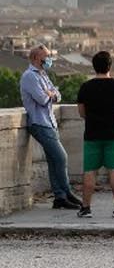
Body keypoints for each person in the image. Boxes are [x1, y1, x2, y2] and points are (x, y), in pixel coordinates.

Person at [19, 45, 81, 209]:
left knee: (53, 161)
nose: (48, 60)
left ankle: (59, 198)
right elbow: (41, 99)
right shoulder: (30, 77)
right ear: (34, 58)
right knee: (61, 157)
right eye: (45, 57)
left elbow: (57, 95)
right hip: (39, 123)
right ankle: (67, 191)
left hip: (49, 121)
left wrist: (51, 94)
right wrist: (50, 94)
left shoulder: (43, 74)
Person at [75, 51, 114, 218]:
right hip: (113, 134)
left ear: (94, 66)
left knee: (90, 171)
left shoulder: (85, 87)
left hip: (92, 133)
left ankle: (85, 208)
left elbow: (81, 112)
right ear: (110, 66)